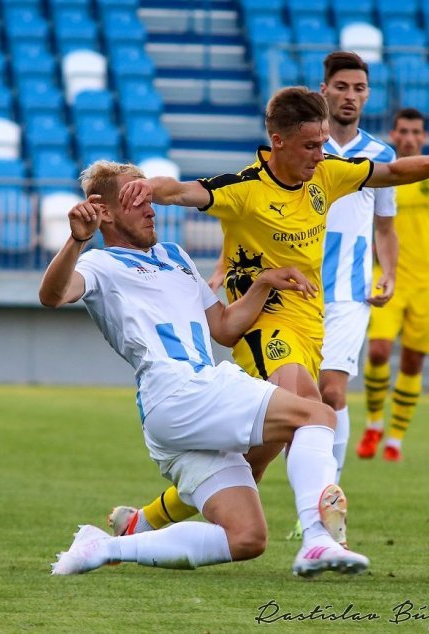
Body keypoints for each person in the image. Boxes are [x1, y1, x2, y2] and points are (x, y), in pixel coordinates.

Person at [105, 86, 429, 538]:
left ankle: (143, 521)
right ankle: (321, 530)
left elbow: (390, 172)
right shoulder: (245, 189)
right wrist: (151, 186)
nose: (320, 154)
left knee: (254, 460)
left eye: (324, 142)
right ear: (278, 140)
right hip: (262, 323)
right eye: (310, 145)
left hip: (310, 325)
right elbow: (186, 192)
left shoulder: (326, 175)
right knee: (308, 400)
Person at [41, 161, 369, 577]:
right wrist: (75, 240)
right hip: (180, 389)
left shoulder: (176, 257)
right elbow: (53, 295)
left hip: (180, 408)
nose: (151, 208)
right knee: (316, 413)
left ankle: (105, 546)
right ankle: (317, 538)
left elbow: (225, 328)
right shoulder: (100, 265)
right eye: (136, 199)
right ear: (105, 212)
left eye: (149, 198)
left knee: (246, 537)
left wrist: (264, 283)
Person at [356, 108, 429, 462]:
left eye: (416, 132)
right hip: (388, 277)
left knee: (412, 361)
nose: (409, 137)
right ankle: (374, 422)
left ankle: (395, 440)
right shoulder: (383, 171)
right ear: (393, 134)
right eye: (403, 131)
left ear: (424, 138)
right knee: (378, 351)